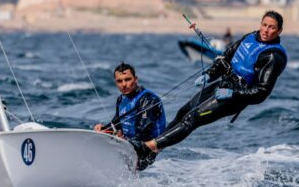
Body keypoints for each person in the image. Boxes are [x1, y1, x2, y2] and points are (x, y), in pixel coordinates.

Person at [131, 10, 287, 158]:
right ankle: (152, 149)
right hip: (222, 84)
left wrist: (233, 94)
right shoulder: (251, 37)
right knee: (183, 112)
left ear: (279, 31)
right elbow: (225, 59)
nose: (266, 30)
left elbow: (261, 92)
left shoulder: (273, 56)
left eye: (272, 27)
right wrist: (209, 75)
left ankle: (146, 148)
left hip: (234, 97)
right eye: (264, 25)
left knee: (192, 118)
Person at [94, 62, 166, 170]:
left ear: (135, 79)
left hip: (145, 152)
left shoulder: (148, 99)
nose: (124, 84)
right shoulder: (121, 99)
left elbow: (144, 132)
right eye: (119, 81)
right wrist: (104, 129)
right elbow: (118, 123)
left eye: (127, 79)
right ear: (115, 83)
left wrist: (122, 140)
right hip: (128, 144)